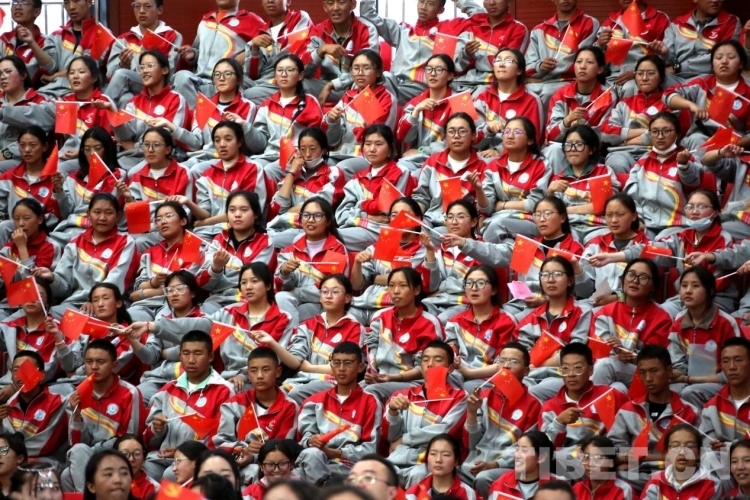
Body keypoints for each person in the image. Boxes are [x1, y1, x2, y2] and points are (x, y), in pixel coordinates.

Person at [129, 262, 293, 385]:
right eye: (243, 283)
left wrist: (243, 375)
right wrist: (153, 326)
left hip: (261, 382)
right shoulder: (228, 312)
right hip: (225, 380)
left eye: (254, 281)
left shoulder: (283, 318)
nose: (248, 287)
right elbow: (198, 326)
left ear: (268, 285)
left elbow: (275, 358)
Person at [446, 197, 586, 318]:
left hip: (557, 306)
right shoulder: (527, 245)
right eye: (537, 214)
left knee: (510, 321)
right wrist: (464, 243)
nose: (542, 219)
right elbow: (495, 253)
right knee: (494, 319)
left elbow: (584, 291)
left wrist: (547, 300)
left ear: (562, 217)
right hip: (520, 304)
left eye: (547, 213)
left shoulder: (574, 249)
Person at [142, 331, 234, 480]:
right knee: (138, 473)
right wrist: (157, 429)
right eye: (186, 353)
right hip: (161, 458)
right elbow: (148, 439)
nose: (191, 360)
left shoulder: (224, 391)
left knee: (170, 475)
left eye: (198, 353)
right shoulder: (168, 389)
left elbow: (220, 440)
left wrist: (182, 453)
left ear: (211, 357)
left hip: (197, 461)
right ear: (180, 356)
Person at [258, 274, 365, 403]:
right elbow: (295, 362)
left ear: (347, 298)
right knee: (269, 395)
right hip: (300, 380)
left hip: (334, 383)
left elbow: (346, 368)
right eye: (324, 291)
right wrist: (271, 342)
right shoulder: (309, 325)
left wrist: (309, 368)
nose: (328, 296)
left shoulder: (355, 328)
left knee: (294, 395)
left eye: (335, 292)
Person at [608, 345, 699, 490]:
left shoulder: (689, 411)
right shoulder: (628, 409)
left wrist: (642, 456)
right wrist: (625, 459)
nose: (648, 379)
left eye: (654, 371)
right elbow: (614, 448)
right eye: (643, 373)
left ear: (669, 371)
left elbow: (695, 455)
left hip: (674, 475)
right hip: (633, 475)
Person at [458, 343, 541, 499]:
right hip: (475, 462)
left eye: (514, 362)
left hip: (510, 467)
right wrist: (472, 413)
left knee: (483, 478)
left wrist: (496, 464)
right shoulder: (483, 397)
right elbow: (471, 444)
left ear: (526, 371)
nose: (506, 366)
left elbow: (527, 449)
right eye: (502, 361)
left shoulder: (533, 405)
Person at [33, 193, 137, 318]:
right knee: (46, 317)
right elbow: (64, 287)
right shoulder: (75, 243)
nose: (102, 218)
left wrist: (95, 300)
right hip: (74, 304)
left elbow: (116, 279)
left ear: (118, 216)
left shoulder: (125, 242)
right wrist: (52, 278)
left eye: (109, 213)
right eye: (97, 212)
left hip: (107, 306)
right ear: (88, 214)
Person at [61, 339, 145, 493]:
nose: (94, 367)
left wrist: (94, 450)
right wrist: (77, 416)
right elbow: (76, 444)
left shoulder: (129, 393)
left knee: (77, 457)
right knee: (66, 475)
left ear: (114, 365)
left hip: (117, 457)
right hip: (86, 456)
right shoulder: (78, 395)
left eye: (100, 362)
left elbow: (128, 440)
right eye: (89, 362)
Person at [3, 56, 114, 173]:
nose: (75, 76)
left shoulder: (103, 102)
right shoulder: (64, 102)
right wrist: (3, 112)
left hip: (92, 158)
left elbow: (106, 141)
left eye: (81, 72)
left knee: (57, 170)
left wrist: (82, 152)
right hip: (64, 156)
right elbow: (36, 114)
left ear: (94, 78)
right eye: (71, 73)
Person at [359, 0, 478, 104]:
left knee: (378, 89)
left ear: (441, 10)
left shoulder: (449, 28)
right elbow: (367, 14)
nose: (423, 7)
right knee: (368, 80)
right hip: (394, 83)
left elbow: (480, 17)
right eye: (421, 1)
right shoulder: (403, 31)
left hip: (423, 87)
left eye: (430, 4)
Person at [383, 340, 467, 487]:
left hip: (429, 462)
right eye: (425, 359)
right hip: (397, 458)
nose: (430, 364)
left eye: (438, 360)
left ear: (450, 368)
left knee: (419, 475)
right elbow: (391, 437)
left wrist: (405, 439)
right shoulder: (401, 395)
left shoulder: (459, 397)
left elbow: (445, 430)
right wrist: (393, 412)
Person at [296, 342, 382, 484]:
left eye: (348, 363)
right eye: (336, 363)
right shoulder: (313, 402)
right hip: (316, 461)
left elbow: (370, 449)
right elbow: (303, 441)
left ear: (360, 367)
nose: (341, 368)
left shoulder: (370, 402)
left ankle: (325, 489)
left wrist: (336, 453)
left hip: (351, 467)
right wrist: (311, 440)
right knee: (305, 459)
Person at [539, 343, 627, 478]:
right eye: (565, 369)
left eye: (578, 368)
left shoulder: (610, 395)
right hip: (566, 465)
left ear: (590, 370)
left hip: (605, 460)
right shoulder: (550, 407)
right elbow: (545, 450)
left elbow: (629, 435)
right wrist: (559, 422)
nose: (571, 374)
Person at [155, 59, 258, 174]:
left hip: (229, 160)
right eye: (217, 74)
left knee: (194, 170)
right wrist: (170, 126)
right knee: (174, 171)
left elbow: (244, 144)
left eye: (227, 74)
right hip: (201, 158)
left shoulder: (247, 106)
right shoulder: (204, 105)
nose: (221, 78)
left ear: (238, 79)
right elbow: (196, 143)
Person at [214, 347, 299, 483]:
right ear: (248, 374)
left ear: (278, 372)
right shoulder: (234, 404)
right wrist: (244, 449)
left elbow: (284, 449)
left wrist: (254, 456)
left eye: (266, 370)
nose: (259, 375)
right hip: (236, 463)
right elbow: (221, 442)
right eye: (253, 371)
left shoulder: (289, 406)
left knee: (255, 471)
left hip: (273, 469)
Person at [349, 198, 437, 324]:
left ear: (418, 219)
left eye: (405, 214)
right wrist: (357, 263)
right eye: (394, 215)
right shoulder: (378, 246)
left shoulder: (426, 250)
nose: (398, 219)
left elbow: (426, 286)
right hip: (363, 304)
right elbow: (357, 285)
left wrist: (373, 278)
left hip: (396, 308)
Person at [590, 259, 673, 392]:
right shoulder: (605, 312)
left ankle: (587, 405)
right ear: (623, 279)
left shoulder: (662, 318)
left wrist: (627, 352)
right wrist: (617, 357)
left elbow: (655, 359)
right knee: (618, 388)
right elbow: (597, 352)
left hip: (643, 373)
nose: (635, 281)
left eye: (643, 277)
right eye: (631, 274)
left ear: (653, 286)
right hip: (610, 369)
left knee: (606, 365)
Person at [515, 256, 591, 400]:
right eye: (545, 275)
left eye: (557, 274)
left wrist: (535, 364)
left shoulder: (582, 312)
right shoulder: (532, 317)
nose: (550, 280)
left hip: (564, 375)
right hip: (531, 375)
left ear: (570, 280)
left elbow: (575, 353)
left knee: (531, 394)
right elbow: (522, 355)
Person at [363, 267, 442, 402]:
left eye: (403, 285)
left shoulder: (429, 323)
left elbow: (425, 367)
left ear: (417, 290)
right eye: (391, 286)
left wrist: (393, 378)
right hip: (381, 378)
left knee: (370, 392)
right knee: (349, 392)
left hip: (413, 381)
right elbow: (372, 348)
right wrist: (372, 371)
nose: (396, 291)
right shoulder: (380, 316)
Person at [668, 267, 741, 408]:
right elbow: (679, 365)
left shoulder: (726, 323)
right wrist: (669, 374)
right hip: (688, 381)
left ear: (711, 291)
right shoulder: (678, 322)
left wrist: (689, 379)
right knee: (665, 390)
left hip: (723, 384)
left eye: (695, 286)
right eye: (684, 285)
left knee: (690, 393)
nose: (688, 291)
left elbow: (733, 371)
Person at [622, 112, 701, 239]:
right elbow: (630, 196)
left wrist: (684, 165)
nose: (660, 136)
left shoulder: (689, 158)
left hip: (678, 225)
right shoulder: (642, 162)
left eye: (666, 131)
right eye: (654, 131)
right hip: (646, 224)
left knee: (659, 242)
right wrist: (638, 219)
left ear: (677, 133)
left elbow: (693, 183)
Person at [335, 126, 415, 252]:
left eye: (378, 144)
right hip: (359, 227)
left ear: (390, 148)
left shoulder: (400, 173)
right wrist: (366, 216)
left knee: (331, 239)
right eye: (367, 144)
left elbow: (387, 210)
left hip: (385, 232)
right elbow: (341, 215)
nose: (372, 149)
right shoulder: (357, 179)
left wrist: (360, 206)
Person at [184, 122, 269, 239]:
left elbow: (247, 211)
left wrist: (206, 222)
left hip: (240, 231)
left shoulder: (253, 168)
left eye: (228, 139)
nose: (222, 144)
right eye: (217, 140)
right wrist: (188, 203)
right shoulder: (207, 175)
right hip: (207, 231)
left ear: (239, 142)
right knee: (189, 246)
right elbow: (205, 213)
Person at [194, 190, 276, 310]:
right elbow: (203, 283)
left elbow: (254, 280)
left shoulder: (265, 242)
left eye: (244, 210)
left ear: (256, 214)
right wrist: (216, 268)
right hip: (216, 300)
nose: (237, 214)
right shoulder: (218, 240)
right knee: (202, 314)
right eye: (232, 210)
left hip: (248, 301)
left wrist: (219, 277)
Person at [172, 0, 263, 107]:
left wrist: (248, 53)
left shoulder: (253, 21)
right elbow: (198, 51)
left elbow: (264, 52)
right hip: (200, 79)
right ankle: (197, 115)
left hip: (227, 81)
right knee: (181, 77)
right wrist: (193, 55)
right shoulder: (206, 20)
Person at [246, 55, 324, 181]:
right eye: (280, 70)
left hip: (296, 158)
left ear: (300, 75)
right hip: (269, 156)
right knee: (249, 168)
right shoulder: (267, 105)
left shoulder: (309, 102)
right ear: (275, 76)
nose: (284, 74)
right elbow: (261, 143)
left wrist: (300, 154)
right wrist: (244, 126)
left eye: (290, 70)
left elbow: (316, 138)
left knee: (268, 170)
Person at [266, 127, 346, 250]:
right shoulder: (293, 176)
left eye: (312, 149)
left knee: (270, 242)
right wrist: (291, 173)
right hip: (281, 227)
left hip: (309, 230)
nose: (307, 154)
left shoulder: (333, 173)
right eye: (303, 149)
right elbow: (279, 208)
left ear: (324, 150)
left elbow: (318, 207)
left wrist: (288, 211)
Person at [663, 40, 750, 152]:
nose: (724, 61)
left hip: (733, 147)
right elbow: (667, 95)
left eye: (731, 57)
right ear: (712, 64)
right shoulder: (702, 84)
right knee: (697, 139)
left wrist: (732, 145)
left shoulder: (748, 92)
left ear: (741, 64)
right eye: (718, 58)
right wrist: (691, 105)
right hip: (699, 140)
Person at [323, 51, 399, 178]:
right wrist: (332, 121)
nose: (360, 73)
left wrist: (363, 101)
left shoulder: (386, 99)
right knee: (319, 165)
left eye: (366, 68)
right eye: (356, 68)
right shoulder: (347, 97)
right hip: (342, 153)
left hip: (368, 157)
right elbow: (332, 140)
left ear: (378, 72)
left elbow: (378, 135)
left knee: (340, 169)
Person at [134, 271, 206, 404]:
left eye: (180, 289)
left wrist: (165, 353)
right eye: (169, 290)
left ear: (193, 293)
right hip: (158, 378)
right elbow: (151, 357)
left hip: (190, 379)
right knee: (134, 397)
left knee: (158, 402)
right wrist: (131, 339)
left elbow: (193, 350)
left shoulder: (203, 319)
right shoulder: (160, 320)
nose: (174, 294)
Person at [275, 197, 349, 326]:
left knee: (288, 316)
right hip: (295, 301)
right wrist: (284, 273)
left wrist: (297, 292)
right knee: (281, 298)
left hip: (324, 304)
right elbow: (281, 288)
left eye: (317, 216)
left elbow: (331, 290)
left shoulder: (336, 248)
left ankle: (293, 336)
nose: (310, 220)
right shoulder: (289, 250)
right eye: (306, 215)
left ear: (328, 221)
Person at [47, 128, 127, 246]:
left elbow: (107, 208)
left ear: (108, 149)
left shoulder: (118, 176)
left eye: (97, 148)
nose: (92, 153)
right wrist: (59, 190)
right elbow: (66, 213)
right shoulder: (73, 178)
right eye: (87, 149)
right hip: (69, 228)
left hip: (97, 231)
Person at [601, 56, 680, 173]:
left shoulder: (668, 103)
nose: (644, 78)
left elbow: (664, 135)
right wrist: (646, 131)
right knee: (618, 164)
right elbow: (605, 132)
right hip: (621, 153)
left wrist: (627, 142)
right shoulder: (624, 103)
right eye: (640, 73)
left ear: (661, 78)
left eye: (650, 73)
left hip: (655, 153)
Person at [109, 55, 189, 170]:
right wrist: (112, 112)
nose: (144, 71)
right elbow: (126, 136)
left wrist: (136, 146)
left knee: (129, 172)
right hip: (133, 156)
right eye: (141, 67)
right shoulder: (134, 101)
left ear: (165, 70)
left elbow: (168, 137)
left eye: (150, 66)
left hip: (163, 157)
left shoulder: (175, 99)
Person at [476, 118, 550, 243]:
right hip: (497, 220)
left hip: (529, 221)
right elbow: (487, 209)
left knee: (496, 225)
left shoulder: (541, 165)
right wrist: (479, 190)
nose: (510, 136)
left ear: (530, 140)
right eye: (506, 131)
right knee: (505, 244)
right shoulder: (493, 166)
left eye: (517, 132)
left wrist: (503, 205)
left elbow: (535, 204)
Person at [444, 265, 517, 389]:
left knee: (468, 387)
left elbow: (504, 364)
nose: (474, 288)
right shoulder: (455, 321)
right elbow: (450, 348)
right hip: (459, 372)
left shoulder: (506, 321)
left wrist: (469, 373)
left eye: (481, 283)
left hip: (489, 377)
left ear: (494, 290)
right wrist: (453, 358)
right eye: (469, 283)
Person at [544, 46, 614, 172]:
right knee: (553, 150)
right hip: (564, 147)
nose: (582, 66)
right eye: (579, 61)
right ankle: (558, 184)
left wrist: (582, 128)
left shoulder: (608, 97)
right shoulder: (561, 94)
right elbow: (550, 136)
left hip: (592, 151)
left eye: (589, 62)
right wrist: (568, 120)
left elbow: (605, 136)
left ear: (600, 69)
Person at [127, 202, 199, 322]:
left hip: (176, 305)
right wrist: (154, 282)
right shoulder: (150, 252)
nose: (163, 222)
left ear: (183, 221)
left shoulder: (193, 247)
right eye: (158, 219)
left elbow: (187, 288)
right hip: (145, 305)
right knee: (129, 318)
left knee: (163, 322)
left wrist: (145, 293)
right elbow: (139, 285)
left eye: (168, 216)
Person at [547, 124, 620, 242]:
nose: (573, 149)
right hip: (568, 227)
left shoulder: (602, 172)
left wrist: (565, 210)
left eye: (579, 144)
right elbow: (550, 212)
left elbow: (603, 207)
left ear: (591, 149)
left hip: (597, 227)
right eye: (568, 144)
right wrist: (550, 192)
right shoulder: (559, 178)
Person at [412, 113, 486, 229]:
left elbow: (483, 207)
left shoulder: (482, 167)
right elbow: (422, 197)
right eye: (451, 131)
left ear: (473, 135)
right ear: (445, 136)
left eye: (462, 131)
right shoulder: (433, 162)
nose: (456, 136)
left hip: (461, 226)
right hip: (430, 219)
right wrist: (413, 217)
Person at [522, 0, 600, 109]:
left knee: (548, 93)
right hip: (541, 82)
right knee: (522, 91)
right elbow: (527, 66)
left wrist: (545, 75)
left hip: (570, 81)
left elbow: (584, 61)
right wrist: (540, 66)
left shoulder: (589, 23)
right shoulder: (539, 30)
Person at [104, 1, 183, 108]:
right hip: (131, 86)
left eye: (147, 6)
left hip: (159, 86)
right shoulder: (124, 39)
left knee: (122, 74)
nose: (141, 11)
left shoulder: (172, 36)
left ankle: (98, 111)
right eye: (137, 6)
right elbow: (110, 76)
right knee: (125, 98)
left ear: (159, 10)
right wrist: (123, 65)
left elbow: (169, 71)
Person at [300, 0, 380, 104]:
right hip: (327, 87)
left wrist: (333, 84)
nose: (335, 8)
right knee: (296, 82)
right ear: (325, 7)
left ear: (353, 4)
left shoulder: (366, 29)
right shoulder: (317, 31)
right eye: (330, 3)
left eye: (341, 2)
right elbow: (303, 71)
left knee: (368, 81)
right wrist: (321, 51)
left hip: (355, 85)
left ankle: (357, 113)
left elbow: (368, 70)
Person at [579, 194, 650, 307]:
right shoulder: (596, 244)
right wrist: (578, 272)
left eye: (620, 214)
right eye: (609, 215)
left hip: (632, 306)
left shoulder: (646, 246)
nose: (614, 220)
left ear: (634, 216)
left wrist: (618, 297)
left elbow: (649, 289)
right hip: (596, 304)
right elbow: (584, 292)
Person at [422, 202, 488, 324]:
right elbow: (430, 288)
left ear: (474, 222)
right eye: (450, 217)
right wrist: (430, 252)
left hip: (466, 303)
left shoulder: (482, 249)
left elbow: (477, 283)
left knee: (437, 321)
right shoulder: (439, 250)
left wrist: (443, 287)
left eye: (461, 217)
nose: (454, 222)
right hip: (437, 300)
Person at [0, 127, 65, 249]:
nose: (27, 150)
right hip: (13, 229)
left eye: (32, 145)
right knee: (4, 226)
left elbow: (62, 214)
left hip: (44, 231)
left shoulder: (57, 178)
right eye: (22, 145)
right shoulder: (9, 177)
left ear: (45, 147)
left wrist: (59, 191)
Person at [473, 48, 544, 158]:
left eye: (508, 61)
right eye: (498, 60)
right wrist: (488, 129)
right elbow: (472, 140)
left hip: (515, 158)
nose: (501, 64)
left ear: (519, 70)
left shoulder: (531, 100)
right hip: (481, 155)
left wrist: (500, 150)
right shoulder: (482, 97)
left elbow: (532, 140)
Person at [0, 352, 68, 461]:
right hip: (11, 460)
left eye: (27, 369)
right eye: (16, 370)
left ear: (42, 375)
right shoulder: (9, 404)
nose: (20, 375)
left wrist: (11, 456)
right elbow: (3, 444)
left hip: (45, 462)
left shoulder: (57, 402)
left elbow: (46, 445)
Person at [241, 1, 313, 104]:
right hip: (263, 82)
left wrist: (268, 67)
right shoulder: (262, 33)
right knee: (232, 80)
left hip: (289, 79)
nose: (270, 1)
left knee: (246, 95)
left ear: (288, 1)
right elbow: (253, 75)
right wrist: (254, 48)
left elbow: (294, 54)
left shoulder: (299, 17)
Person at [396, 55, 459, 172]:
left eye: (439, 69)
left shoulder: (458, 103)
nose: (433, 73)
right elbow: (402, 137)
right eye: (429, 69)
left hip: (447, 161)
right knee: (400, 171)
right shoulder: (416, 103)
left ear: (450, 75)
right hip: (416, 160)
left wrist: (422, 151)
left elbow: (458, 142)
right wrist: (415, 112)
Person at [657, 0, 742, 83]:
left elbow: (724, 57)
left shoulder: (730, 22)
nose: (715, 1)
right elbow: (669, 63)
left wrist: (679, 67)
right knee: (655, 78)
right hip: (676, 78)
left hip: (709, 78)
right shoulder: (677, 24)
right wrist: (665, 54)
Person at [453, 3, 530, 93]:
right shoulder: (472, 28)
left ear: (508, 1)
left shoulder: (518, 29)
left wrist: (475, 60)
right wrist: (466, 54)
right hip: (463, 82)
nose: (492, 2)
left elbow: (508, 64)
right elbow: (457, 67)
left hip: (494, 84)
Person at [596, 0, 670, 85]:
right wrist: (600, 45)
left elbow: (668, 58)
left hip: (644, 77)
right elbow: (595, 60)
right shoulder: (610, 22)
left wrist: (638, 72)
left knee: (629, 88)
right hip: (612, 76)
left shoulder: (660, 19)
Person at [640, 424, 723, 500]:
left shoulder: (712, 485)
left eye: (689, 446)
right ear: (667, 452)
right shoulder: (656, 481)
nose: (682, 452)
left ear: (699, 453)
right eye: (675, 446)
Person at [38, 0, 96, 98]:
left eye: (76, 1)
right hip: (52, 90)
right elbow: (49, 68)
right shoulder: (56, 36)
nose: (71, 7)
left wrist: (55, 76)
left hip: (81, 93)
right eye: (66, 2)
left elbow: (89, 67)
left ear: (89, 2)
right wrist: (31, 42)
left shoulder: (100, 34)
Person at [0, 59, 49, 174]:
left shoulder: (39, 102)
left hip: (22, 159)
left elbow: (38, 139)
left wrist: (5, 154)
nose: (2, 77)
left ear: (23, 75)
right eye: (0, 73)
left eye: (8, 71)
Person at [701, 338, 750, 447]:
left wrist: (727, 447)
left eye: (738, 360)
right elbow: (707, 447)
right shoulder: (712, 407)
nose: (732, 367)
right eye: (726, 361)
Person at [486, 431, 558, 499]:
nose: (517, 455)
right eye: (517, 449)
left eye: (524, 451)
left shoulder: (558, 488)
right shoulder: (502, 483)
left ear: (542, 457)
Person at [701, 141, 750, 241]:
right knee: (693, 229)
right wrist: (721, 153)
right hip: (731, 216)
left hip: (744, 220)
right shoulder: (745, 160)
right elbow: (706, 160)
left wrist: (732, 207)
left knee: (710, 234)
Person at [406, 434, 477, 500]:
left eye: (445, 455)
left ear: (456, 460)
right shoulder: (414, 494)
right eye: (433, 454)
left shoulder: (469, 495)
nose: (438, 460)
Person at [0, 0, 53, 89]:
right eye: (14, 3)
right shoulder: (4, 38)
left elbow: (50, 69)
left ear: (36, 12)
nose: (17, 7)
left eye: (24, 3)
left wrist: (31, 43)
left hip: (31, 94)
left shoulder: (46, 41)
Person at [572, 435, 635, 500]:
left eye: (598, 458)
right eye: (586, 457)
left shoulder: (623, 490)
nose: (590, 464)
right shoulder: (577, 488)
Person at [114, 434, 158, 499]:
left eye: (137, 453)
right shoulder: (106, 481)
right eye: (125, 454)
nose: (131, 459)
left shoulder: (154, 488)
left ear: (144, 457)